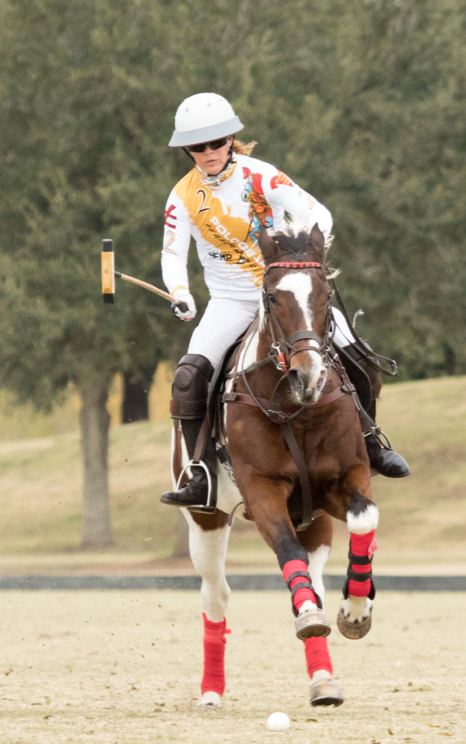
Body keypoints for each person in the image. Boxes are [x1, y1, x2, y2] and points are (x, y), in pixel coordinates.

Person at [160, 93, 409, 510]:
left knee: (359, 357)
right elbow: (171, 253)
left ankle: (371, 441)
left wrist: (297, 252)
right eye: (197, 147)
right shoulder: (181, 197)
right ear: (187, 150)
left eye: (215, 143)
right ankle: (200, 473)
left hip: (290, 295)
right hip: (232, 301)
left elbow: (319, 215)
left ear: (231, 138)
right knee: (189, 375)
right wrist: (181, 293)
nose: (207, 153)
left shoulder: (263, 178)